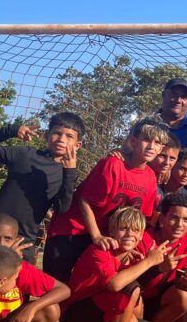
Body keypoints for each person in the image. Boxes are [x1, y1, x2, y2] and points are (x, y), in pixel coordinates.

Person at [44, 118, 169, 284]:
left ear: (161, 148)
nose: (151, 146)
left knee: (84, 292)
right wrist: (96, 236)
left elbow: (139, 218)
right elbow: (84, 201)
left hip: (104, 238)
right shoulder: (112, 164)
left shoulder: (150, 177)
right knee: (54, 289)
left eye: (157, 142)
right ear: (133, 141)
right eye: (146, 139)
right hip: (72, 231)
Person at [60, 207, 174, 322]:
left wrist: (130, 316)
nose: (130, 234)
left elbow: (134, 294)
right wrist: (149, 262)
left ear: (142, 235)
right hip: (76, 319)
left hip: (106, 316)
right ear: (112, 231)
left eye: (135, 230)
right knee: (128, 286)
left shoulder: (134, 259)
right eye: (123, 228)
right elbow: (115, 284)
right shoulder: (99, 250)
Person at [0, 113, 83, 265]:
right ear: (46, 135)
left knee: (20, 288)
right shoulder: (25, 155)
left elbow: (61, 209)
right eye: (57, 133)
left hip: (23, 241)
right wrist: (11, 130)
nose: (62, 139)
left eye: (69, 136)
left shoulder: (67, 174)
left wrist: (70, 172)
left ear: (77, 145)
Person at [140, 191, 187, 322]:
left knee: (186, 298)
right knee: (134, 296)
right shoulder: (144, 238)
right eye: (174, 218)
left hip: (161, 300)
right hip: (138, 299)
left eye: (186, 220)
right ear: (162, 219)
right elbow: (130, 284)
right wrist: (158, 268)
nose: (180, 225)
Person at [155, 78, 187, 148]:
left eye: (184, 97)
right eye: (173, 94)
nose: (178, 100)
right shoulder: (149, 125)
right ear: (163, 95)